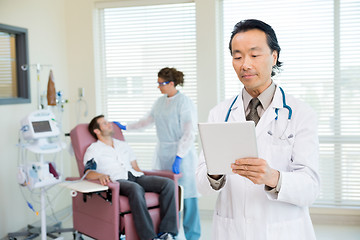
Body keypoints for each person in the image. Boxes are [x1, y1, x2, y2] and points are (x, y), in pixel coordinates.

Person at [196, 19, 320, 240]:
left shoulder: (301, 114)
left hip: (283, 231)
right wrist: (214, 173)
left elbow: (310, 188)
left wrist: (273, 177)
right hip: (231, 231)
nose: (245, 64)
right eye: (237, 56)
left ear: (274, 56)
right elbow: (201, 185)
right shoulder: (219, 113)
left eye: (254, 55)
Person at [114, 67, 201, 240]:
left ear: (172, 83)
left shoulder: (184, 102)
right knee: (168, 195)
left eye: (162, 83)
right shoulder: (160, 102)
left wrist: (179, 156)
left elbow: (189, 133)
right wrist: (126, 126)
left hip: (182, 155)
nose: (159, 86)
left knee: (188, 197)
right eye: (158, 83)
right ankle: (168, 233)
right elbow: (146, 121)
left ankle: (193, 236)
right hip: (163, 153)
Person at [83, 115, 178, 240]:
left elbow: (136, 168)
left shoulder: (123, 145)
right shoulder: (94, 149)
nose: (110, 124)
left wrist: (150, 178)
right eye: (105, 123)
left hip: (135, 176)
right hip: (117, 180)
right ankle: (149, 237)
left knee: (168, 184)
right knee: (135, 188)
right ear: (97, 131)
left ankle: (167, 232)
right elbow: (88, 172)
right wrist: (100, 175)